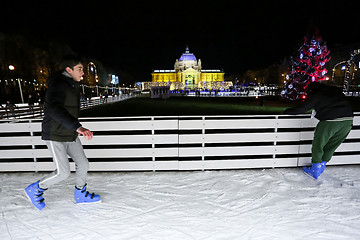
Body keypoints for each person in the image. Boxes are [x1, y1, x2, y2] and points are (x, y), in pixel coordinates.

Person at [25, 56, 101, 210]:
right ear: (69, 70)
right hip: (55, 134)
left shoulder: (71, 85)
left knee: (83, 164)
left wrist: (75, 128)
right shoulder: (58, 84)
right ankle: (36, 189)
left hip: (69, 133)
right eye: (79, 69)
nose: (83, 73)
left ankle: (80, 193)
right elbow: (53, 109)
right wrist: (78, 127)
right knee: (63, 172)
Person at [284, 82, 353, 179]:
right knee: (332, 145)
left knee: (319, 144)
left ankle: (315, 169)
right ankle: (322, 166)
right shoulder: (335, 92)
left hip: (330, 121)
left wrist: (286, 111)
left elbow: (302, 109)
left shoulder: (317, 95)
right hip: (348, 121)